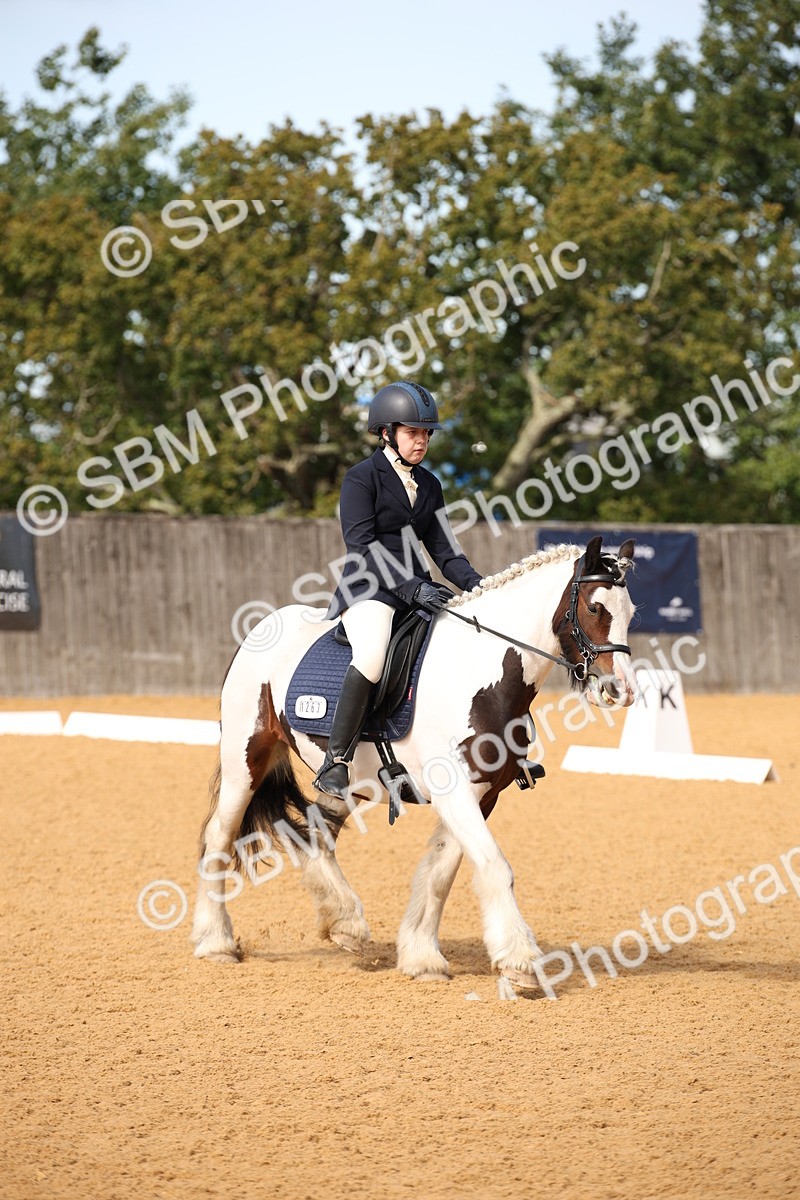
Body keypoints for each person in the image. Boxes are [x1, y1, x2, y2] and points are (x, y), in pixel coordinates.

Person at [313, 380, 483, 800]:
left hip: (420, 589)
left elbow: (445, 551)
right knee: (371, 657)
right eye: (412, 432)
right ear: (387, 432)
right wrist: (411, 589)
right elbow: (362, 547)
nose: (422, 441)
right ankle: (337, 760)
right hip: (369, 590)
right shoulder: (360, 479)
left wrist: (482, 588)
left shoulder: (429, 484)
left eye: (426, 433)